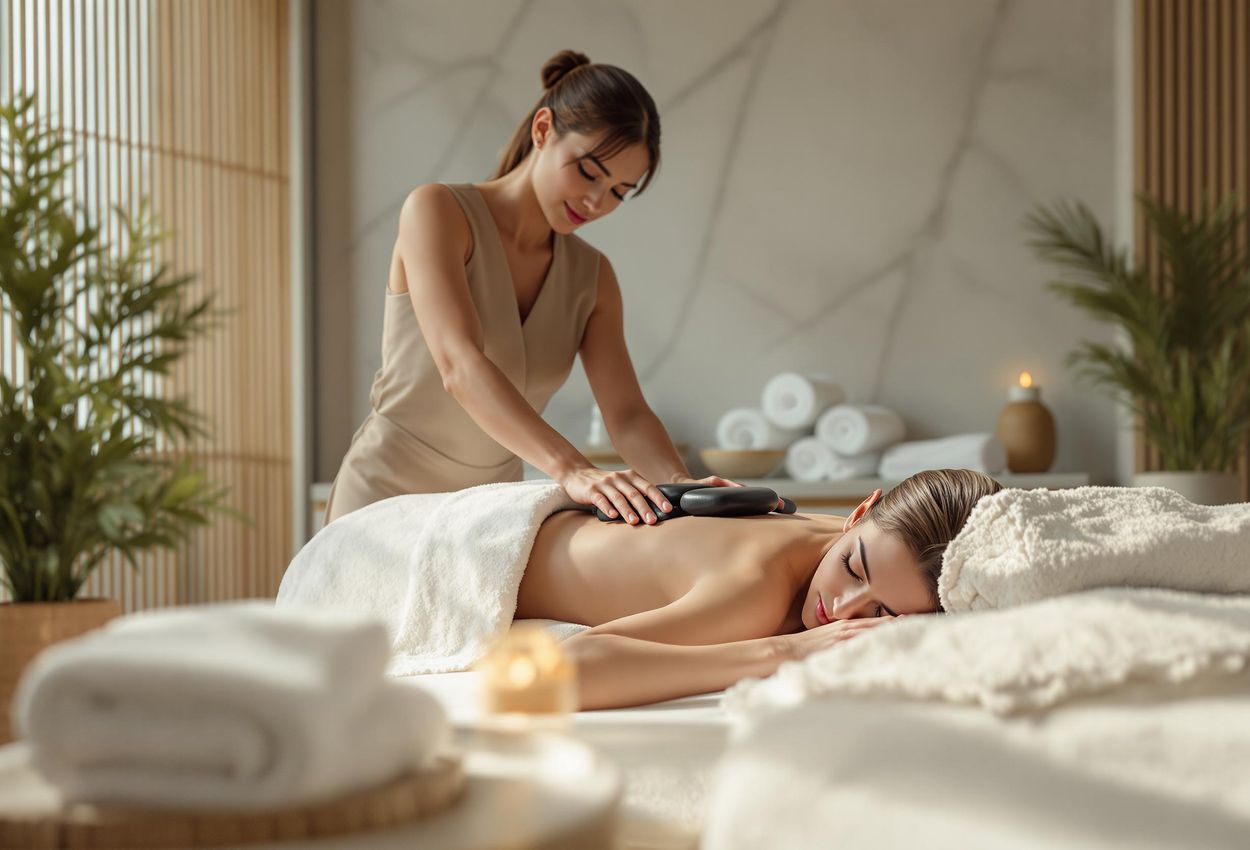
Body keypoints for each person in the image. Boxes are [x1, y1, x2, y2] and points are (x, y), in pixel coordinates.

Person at [324, 50, 728, 526]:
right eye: (589, 171)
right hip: (383, 495)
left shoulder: (593, 278)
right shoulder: (438, 211)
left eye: (620, 191)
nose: (596, 201)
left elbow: (627, 413)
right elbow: (460, 363)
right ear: (543, 130)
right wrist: (571, 469)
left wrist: (680, 487)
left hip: (486, 513)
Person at [515, 469, 1003, 709]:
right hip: (478, 545)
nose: (841, 609)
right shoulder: (754, 594)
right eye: (853, 568)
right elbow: (557, 673)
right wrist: (786, 650)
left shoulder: (836, 529)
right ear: (860, 510)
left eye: (883, 612)